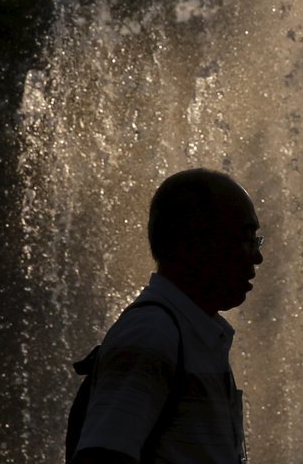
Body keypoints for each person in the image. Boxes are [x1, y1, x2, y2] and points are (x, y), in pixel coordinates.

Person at [72, 168, 263, 464]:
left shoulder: (192, 333)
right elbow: (102, 455)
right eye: (245, 238)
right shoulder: (152, 333)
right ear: (191, 243)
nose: (257, 256)